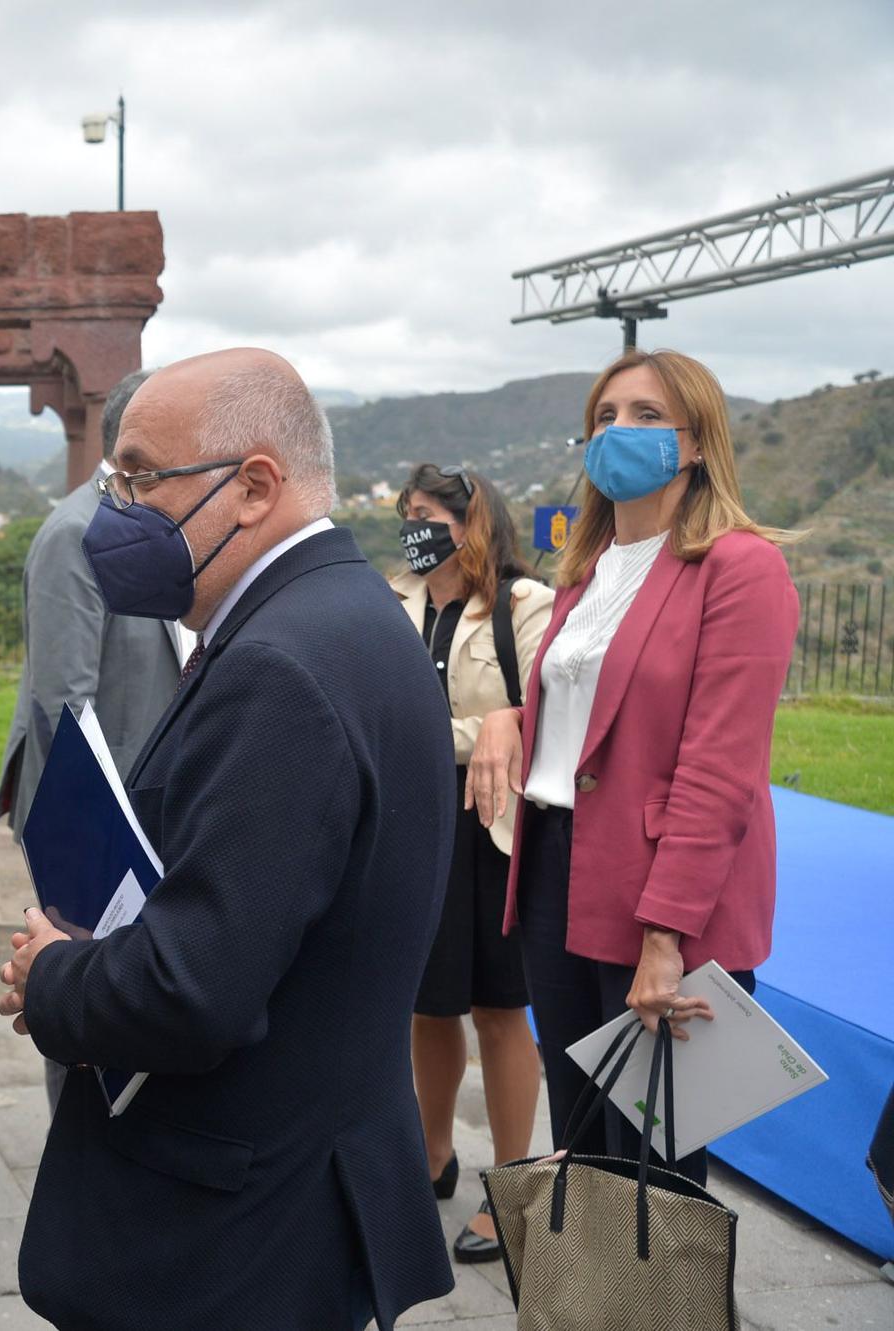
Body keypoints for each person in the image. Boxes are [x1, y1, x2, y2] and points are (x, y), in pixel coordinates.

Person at [0, 350, 457, 1330]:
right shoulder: (354, 617)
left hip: (229, 1230)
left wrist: (50, 976)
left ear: (254, 486)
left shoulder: (279, 665)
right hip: (298, 1191)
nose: (117, 512)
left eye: (138, 477)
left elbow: (190, 991)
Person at [467, 348, 799, 1187]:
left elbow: (719, 770)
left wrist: (667, 938)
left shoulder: (739, 567)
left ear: (695, 443)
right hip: (552, 871)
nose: (620, 430)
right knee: (586, 1141)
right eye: (605, 417)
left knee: (658, 1161)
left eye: (647, 415)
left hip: (657, 889)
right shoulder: (589, 568)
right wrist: (509, 718)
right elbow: (588, 708)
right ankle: (589, 1305)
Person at [0, 366, 193, 1113]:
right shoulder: (75, 531)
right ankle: (80, 1143)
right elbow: (63, 706)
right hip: (92, 822)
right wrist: (99, 840)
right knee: (78, 985)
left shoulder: (152, 518)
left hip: (156, 807)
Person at [389, 463, 553, 1264]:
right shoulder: (399, 599)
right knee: (426, 1004)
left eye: (424, 513)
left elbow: (534, 718)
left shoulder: (525, 606)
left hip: (492, 829)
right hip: (419, 826)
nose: (411, 525)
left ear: (471, 519)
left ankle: (512, 1185)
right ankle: (431, 1154)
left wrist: (447, 729)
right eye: (405, 512)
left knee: (497, 1009)